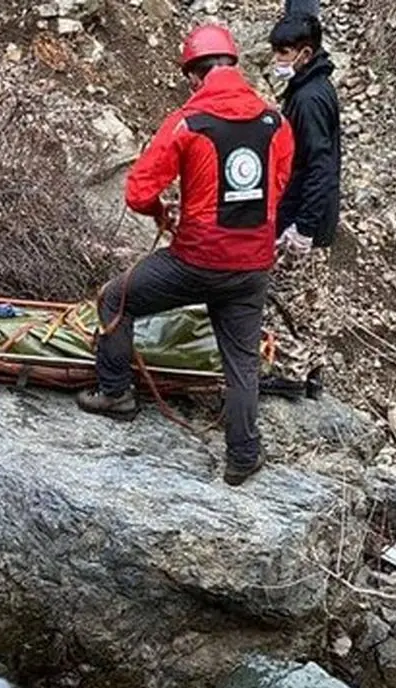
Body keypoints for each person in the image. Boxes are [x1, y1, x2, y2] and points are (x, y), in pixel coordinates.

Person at [75, 23, 295, 486]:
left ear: (194, 76)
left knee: (116, 299)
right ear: (233, 65)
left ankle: (116, 394)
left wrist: (164, 212)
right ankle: (242, 457)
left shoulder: (188, 121)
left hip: (195, 261)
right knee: (242, 362)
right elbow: (275, 187)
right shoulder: (274, 122)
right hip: (252, 266)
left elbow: (137, 192)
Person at [259, 12, 341, 401]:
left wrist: (301, 227)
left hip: (303, 216)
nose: (277, 58)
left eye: (284, 51)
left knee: (283, 296)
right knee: (311, 299)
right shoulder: (315, 88)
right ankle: (313, 371)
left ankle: (289, 372)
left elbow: (319, 166)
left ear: (305, 53)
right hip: (317, 216)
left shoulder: (308, 99)